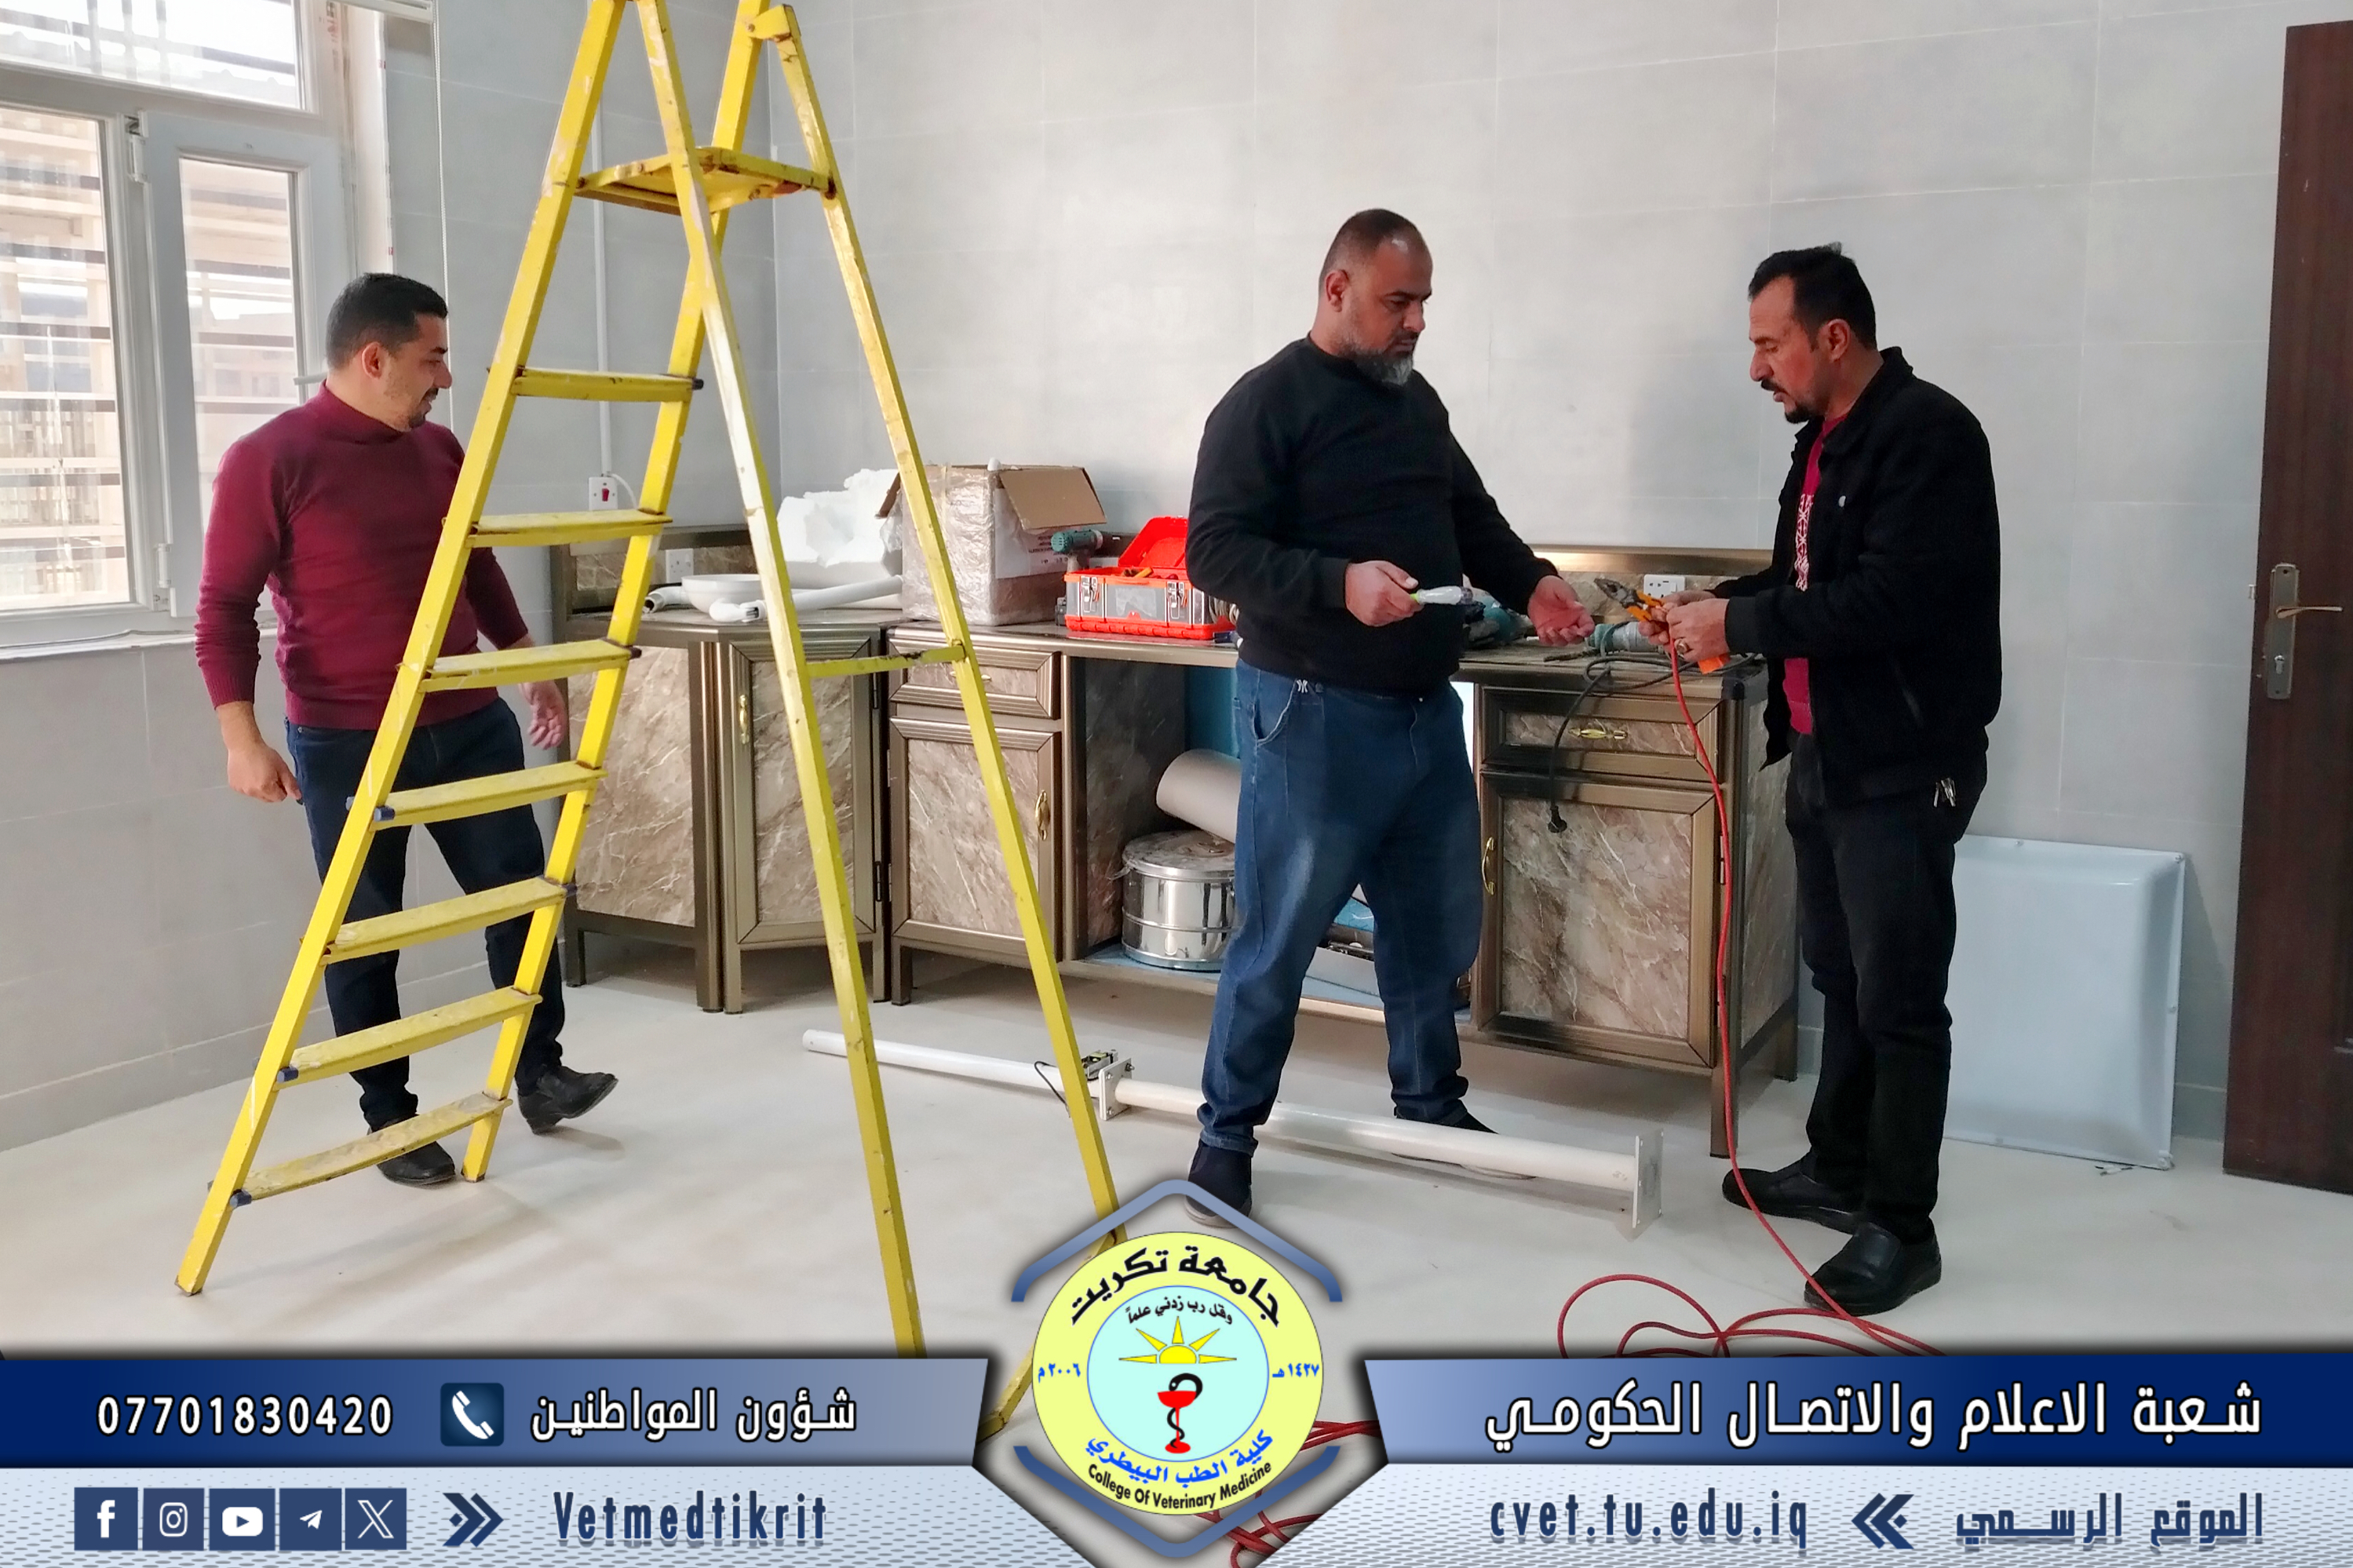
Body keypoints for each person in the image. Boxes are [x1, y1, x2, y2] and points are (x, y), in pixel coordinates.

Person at [1180, 210, 1595, 1223]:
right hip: (1311, 713)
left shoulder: (1416, 404)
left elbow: (1470, 518)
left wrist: (1533, 581)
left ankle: (1429, 1102)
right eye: (1396, 301)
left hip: (1420, 716)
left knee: (1429, 924)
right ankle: (1222, 1142)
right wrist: (1338, 583)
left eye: (1422, 303)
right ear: (1336, 290)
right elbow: (1213, 551)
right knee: (1279, 936)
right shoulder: (1265, 403)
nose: (1415, 322)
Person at [195, 272, 616, 1187]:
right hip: (349, 739)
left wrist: (525, 661)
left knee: (520, 898)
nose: (446, 379)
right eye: (433, 359)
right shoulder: (270, 459)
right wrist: (241, 737)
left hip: (468, 718)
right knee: (364, 930)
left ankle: (539, 1072)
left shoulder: (438, 449)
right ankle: (390, 1120)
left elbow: (476, 568)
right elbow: (222, 608)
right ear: (375, 358)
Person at [1654, 245, 2000, 1315]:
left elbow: (1890, 601)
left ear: (1833, 338)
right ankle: (1839, 1167)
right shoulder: (1821, 443)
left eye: (1771, 345)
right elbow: (1808, 580)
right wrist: (1715, 603)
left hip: (1903, 764)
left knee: (1900, 998)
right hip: (1824, 754)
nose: (1757, 368)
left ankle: (1901, 1226)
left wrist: (1742, 621)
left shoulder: (1928, 436)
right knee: (1839, 974)